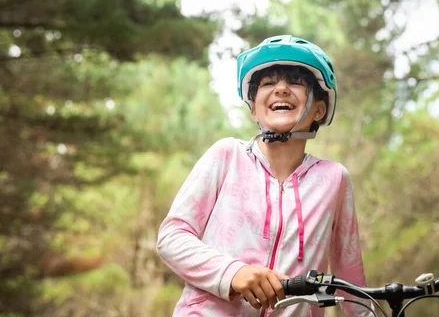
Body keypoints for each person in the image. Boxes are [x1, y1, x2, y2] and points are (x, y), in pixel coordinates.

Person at [157, 35, 370, 316]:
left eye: (296, 82)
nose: (281, 89)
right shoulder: (226, 156)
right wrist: (234, 272)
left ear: (319, 109)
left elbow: (350, 280)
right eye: (268, 84)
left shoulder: (334, 179)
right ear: (254, 109)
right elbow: (171, 237)